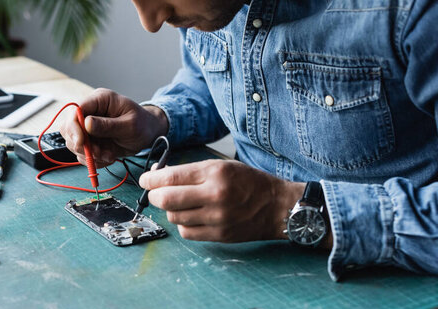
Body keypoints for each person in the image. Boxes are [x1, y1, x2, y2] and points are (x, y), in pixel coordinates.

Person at [60, 0, 438, 281]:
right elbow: (211, 81)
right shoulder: (208, 8)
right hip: (247, 261)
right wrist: (155, 120)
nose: (151, 20)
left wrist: (284, 210)